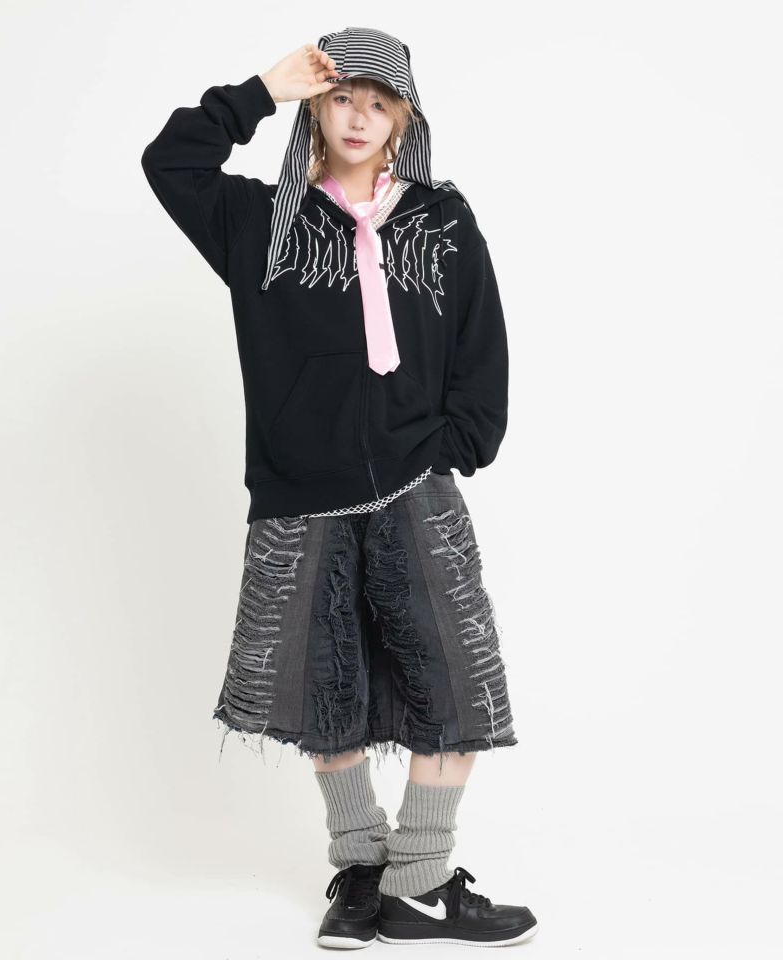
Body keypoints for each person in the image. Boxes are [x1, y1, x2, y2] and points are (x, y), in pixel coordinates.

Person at [141, 25, 538, 950]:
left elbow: (481, 341)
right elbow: (170, 162)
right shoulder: (261, 222)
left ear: (404, 120)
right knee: (326, 687)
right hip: (299, 492)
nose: (359, 117)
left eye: (378, 103)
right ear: (317, 109)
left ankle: (421, 880)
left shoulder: (442, 219)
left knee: (458, 678)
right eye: (342, 98)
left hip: (415, 483)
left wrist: (456, 445)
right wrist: (262, 88)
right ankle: (361, 871)